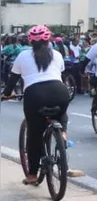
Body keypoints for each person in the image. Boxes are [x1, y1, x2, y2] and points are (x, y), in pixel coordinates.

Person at [1, 25, 70, 185]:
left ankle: (32, 174)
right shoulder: (57, 54)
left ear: (30, 41)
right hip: (60, 91)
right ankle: (63, 133)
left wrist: (6, 95)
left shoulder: (23, 56)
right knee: (62, 112)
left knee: (34, 134)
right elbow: (60, 74)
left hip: (35, 95)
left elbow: (12, 80)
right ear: (48, 40)